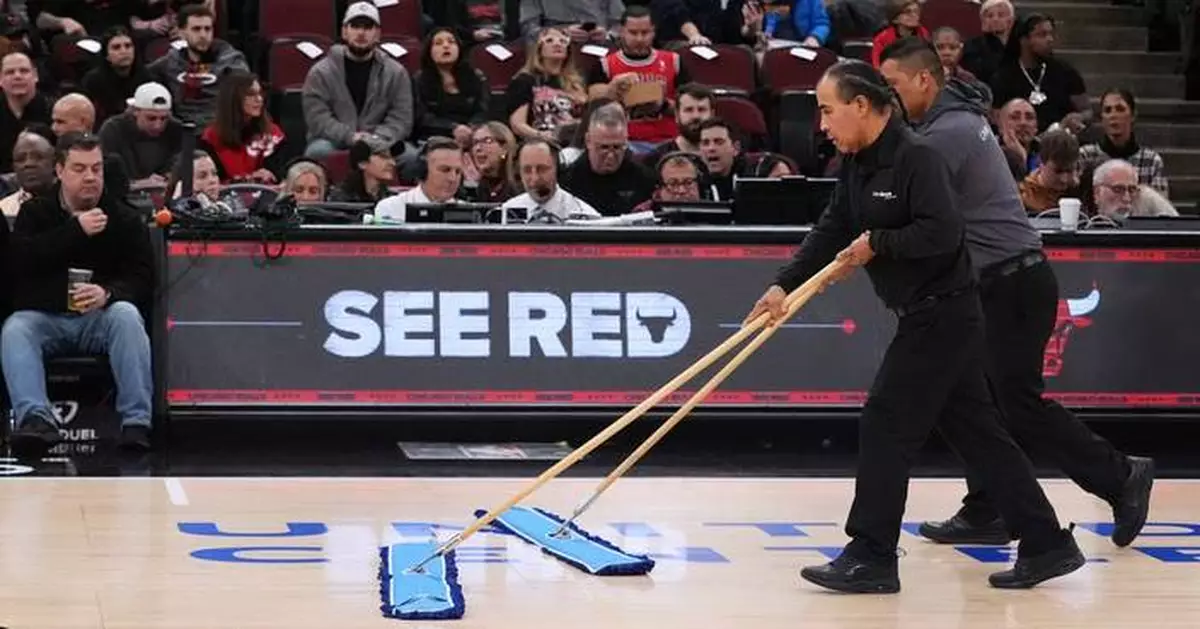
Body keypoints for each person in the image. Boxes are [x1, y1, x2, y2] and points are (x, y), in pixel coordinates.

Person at [744, 59, 1084, 593]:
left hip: (943, 312)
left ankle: (872, 554)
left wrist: (879, 244)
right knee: (980, 433)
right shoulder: (856, 163)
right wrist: (784, 284)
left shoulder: (918, 157)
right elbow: (831, 227)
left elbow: (943, 234)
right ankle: (1047, 543)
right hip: (929, 312)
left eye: (829, 111)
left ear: (861, 106)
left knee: (885, 420)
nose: (823, 125)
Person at [879, 38, 1154, 549]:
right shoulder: (952, 122)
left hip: (1012, 281)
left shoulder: (946, 134)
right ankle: (988, 506)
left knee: (1015, 401)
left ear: (924, 80)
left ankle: (1120, 476)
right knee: (968, 400)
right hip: (994, 281)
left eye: (891, 85)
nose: (886, 96)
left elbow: (906, 207)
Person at [3, 132, 155, 454]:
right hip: (47, 318)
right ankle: (36, 420)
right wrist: (75, 231)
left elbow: (143, 278)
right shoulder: (36, 214)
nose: (90, 177)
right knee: (16, 327)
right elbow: (20, 268)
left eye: (96, 169)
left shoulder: (124, 217)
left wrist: (108, 293)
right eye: (80, 169)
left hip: (99, 319)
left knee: (126, 315)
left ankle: (136, 422)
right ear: (59, 170)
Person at [374, 137, 464, 222]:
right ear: (422, 171)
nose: (453, 178)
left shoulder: (470, 214)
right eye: (445, 170)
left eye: (458, 171)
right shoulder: (391, 208)